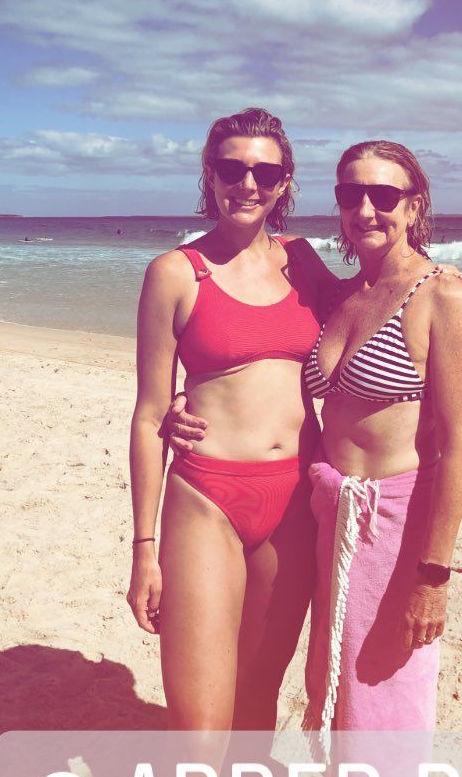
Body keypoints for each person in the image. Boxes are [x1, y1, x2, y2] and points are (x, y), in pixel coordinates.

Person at [127, 106, 333, 735]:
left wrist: (430, 279)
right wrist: (143, 550)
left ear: (284, 182)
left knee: (257, 701)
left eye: (265, 174)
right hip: (207, 498)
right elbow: (148, 414)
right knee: (201, 729)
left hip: (294, 499)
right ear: (210, 174)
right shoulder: (174, 273)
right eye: (231, 169)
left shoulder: (303, 261)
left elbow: (371, 323)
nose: (248, 184)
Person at [303, 141, 462, 777]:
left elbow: (460, 445)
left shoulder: (442, 294)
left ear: (414, 206)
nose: (366, 208)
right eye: (350, 194)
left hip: (395, 523)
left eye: (384, 195)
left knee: (390, 698)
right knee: (345, 690)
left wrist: (433, 577)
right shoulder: (342, 295)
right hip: (331, 517)